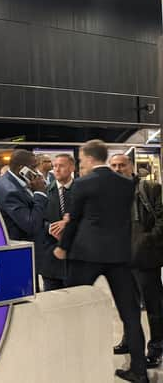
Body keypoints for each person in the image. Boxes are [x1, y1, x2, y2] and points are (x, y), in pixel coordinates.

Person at [53, 140, 147, 383]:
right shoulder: (127, 184)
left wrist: (62, 248)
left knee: (71, 308)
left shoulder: (83, 183)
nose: (81, 162)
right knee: (131, 314)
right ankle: (139, 371)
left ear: (90, 158)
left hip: (86, 254)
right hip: (119, 255)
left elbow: (73, 221)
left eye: (82, 159)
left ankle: (70, 363)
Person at [110, 154, 163, 368]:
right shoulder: (108, 193)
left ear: (130, 167)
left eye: (122, 165)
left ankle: (156, 347)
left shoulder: (149, 188)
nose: (117, 168)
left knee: (154, 306)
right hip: (120, 260)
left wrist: (146, 240)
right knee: (127, 306)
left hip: (145, 258)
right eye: (113, 165)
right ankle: (129, 341)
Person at [0, 149, 48, 288]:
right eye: (34, 167)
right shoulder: (10, 190)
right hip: (19, 258)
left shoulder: (17, 183)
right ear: (21, 168)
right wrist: (40, 193)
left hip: (26, 255)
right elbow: (31, 224)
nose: (37, 171)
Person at [40, 153, 74, 291]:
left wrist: (68, 225)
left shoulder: (82, 190)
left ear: (72, 167)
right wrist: (51, 228)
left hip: (75, 259)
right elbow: (37, 220)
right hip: (50, 260)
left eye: (61, 166)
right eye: (55, 166)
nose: (57, 170)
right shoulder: (44, 192)